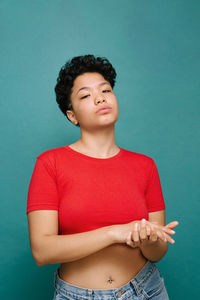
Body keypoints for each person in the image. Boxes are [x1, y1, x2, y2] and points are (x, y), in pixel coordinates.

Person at [26, 54, 179, 300]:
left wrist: (149, 239)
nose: (100, 98)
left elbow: (157, 252)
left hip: (147, 290)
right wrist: (114, 233)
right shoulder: (50, 163)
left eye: (105, 90)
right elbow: (42, 250)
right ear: (72, 116)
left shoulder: (145, 165)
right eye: (85, 95)